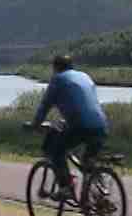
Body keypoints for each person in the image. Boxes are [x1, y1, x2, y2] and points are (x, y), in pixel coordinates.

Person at [24, 54, 107, 203]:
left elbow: (45, 105)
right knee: (88, 160)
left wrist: (35, 124)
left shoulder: (58, 79)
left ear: (55, 68)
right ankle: (100, 193)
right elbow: (84, 104)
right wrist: (66, 120)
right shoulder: (84, 76)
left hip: (80, 126)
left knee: (56, 151)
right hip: (101, 125)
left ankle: (67, 187)